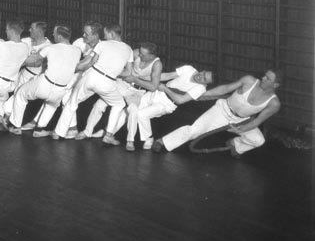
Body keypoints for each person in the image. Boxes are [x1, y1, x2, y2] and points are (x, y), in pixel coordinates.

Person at [153, 69, 281, 158]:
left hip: (241, 120)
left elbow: (257, 121)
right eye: (265, 75)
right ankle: (162, 142)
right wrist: (203, 95)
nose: (263, 78)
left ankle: (236, 145)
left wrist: (240, 129)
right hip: (222, 110)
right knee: (195, 130)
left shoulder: (274, 103)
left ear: (275, 85)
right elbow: (225, 89)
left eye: (268, 78)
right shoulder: (249, 81)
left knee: (258, 140)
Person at [38, 24, 132, 143]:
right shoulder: (128, 49)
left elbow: (91, 62)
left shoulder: (102, 44)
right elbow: (128, 72)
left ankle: (59, 133)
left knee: (71, 102)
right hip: (108, 82)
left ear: (112, 34)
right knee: (119, 104)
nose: (104, 37)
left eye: (106, 34)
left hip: (91, 76)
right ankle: (108, 134)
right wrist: (112, 72)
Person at [77, 42, 162, 148]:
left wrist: (135, 80)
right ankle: (87, 132)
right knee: (100, 104)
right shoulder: (136, 53)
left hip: (137, 91)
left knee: (133, 110)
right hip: (123, 84)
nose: (139, 55)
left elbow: (153, 87)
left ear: (151, 56)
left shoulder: (157, 64)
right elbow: (120, 64)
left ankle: (125, 140)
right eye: (140, 52)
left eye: (143, 54)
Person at [1, 25, 82, 134]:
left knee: (20, 93)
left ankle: (16, 126)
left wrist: (12, 63)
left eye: (54, 33)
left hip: (44, 84)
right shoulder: (77, 50)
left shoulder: (50, 48)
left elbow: (32, 59)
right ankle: (38, 130)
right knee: (51, 105)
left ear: (59, 36)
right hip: (60, 90)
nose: (52, 35)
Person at [26, 20, 103, 133]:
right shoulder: (79, 42)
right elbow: (67, 55)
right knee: (56, 91)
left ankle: (69, 128)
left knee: (64, 96)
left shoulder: (101, 47)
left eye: (86, 33)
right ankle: (40, 124)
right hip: (76, 74)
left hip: (90, 78)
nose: (83, 35)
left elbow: (83, 65)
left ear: (95, 36)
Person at [125, 65, 213, 151]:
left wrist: (165, 89)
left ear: (206, 84)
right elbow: (166, 76)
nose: (201, 76)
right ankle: (130, 141)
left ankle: (149, 137)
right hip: (157, 92)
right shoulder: (189, 69)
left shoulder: (200, 89)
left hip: (167, 104)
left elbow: (180, 100)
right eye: (203, 73)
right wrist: (141, 77)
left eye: (204, 79)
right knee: (133, 111)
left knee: (141, 114)